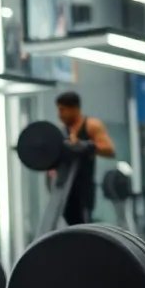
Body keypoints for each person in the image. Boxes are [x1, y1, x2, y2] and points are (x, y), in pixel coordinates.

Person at [54, 90, 116, 226]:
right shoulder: (62, 130)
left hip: (84, 187)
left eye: (62, 110)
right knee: (70, 224)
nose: (59, 114)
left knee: (84, 225)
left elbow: (110, 150)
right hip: (65, 187)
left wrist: (86, 146)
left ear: (74, 108)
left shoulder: (91, 125)